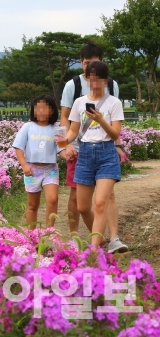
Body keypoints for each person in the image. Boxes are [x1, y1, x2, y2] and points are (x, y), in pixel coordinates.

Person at [60, 42, 128, 253]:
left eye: (99, 79)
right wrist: (63, 142)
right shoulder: (80, 101)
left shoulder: (114, 102)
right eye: (92, 79)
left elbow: (115, 133)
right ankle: (99, 240)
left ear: (105, 80)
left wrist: (101, 119)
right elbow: (72, 130)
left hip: (106, 151)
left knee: (101, 202)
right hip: (85, 154)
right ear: (86, 77)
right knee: (82, 206)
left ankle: (94, 250)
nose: (95, 83)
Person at [13, 94, 67, 230]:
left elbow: (61, 149)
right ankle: (32, 235)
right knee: (32, 205)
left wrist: (69, 155)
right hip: (32, 170)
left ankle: (49, 230)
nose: (41, 111)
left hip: (50, 170)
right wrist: (24, 165)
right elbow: (18, 147)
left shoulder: (57, 129)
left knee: (53, 199)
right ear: (33, 110)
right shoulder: (27, 127)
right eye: (38, 108)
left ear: (52, 110)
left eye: (45, 108)